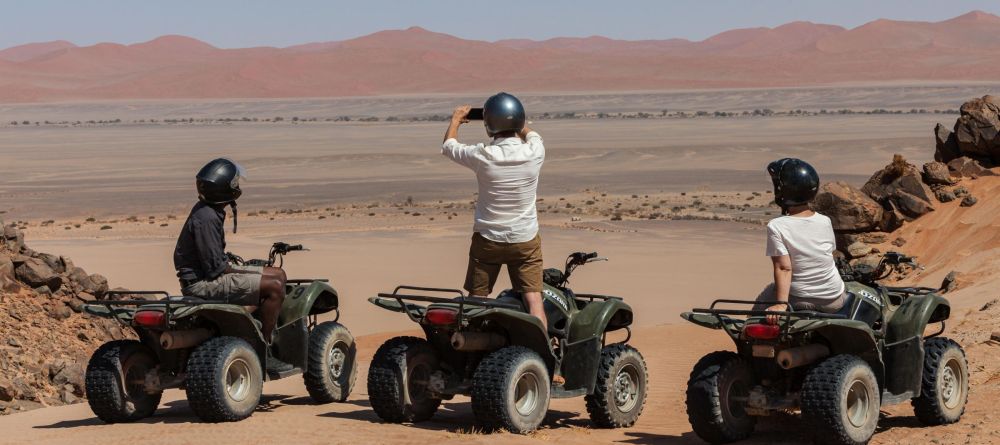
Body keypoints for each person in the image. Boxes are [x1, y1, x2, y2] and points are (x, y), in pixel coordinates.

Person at [441, 92, 548, 329]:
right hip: (525, 239)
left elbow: (449, 146)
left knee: (477, 299)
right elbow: (530, 134)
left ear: (489, 124)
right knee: (534, 300)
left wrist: (456, 119)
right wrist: (516, 121)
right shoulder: (535, 151)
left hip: (488, 240)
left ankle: (474, 342)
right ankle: (542, 346)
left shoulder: (483, 156)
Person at [173, 158, 292, 372]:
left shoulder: (208, 210)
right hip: (202, 284)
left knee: (279, 274)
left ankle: (251, 327)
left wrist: (247, 269)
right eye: (234, 183)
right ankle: (264, 349)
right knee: (274, 286)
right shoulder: (207, 218)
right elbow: (216, 269)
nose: (236, 186)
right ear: (224, 189)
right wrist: (244, 270)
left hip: (207, 276)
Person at [758, 158, 846, 324]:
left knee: (760, 305)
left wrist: (781, 304)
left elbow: (783, 268)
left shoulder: (777, 226)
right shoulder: (825, 221)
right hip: (833, 300)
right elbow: (829, 251)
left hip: (797, 300)